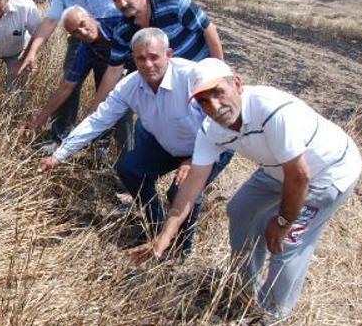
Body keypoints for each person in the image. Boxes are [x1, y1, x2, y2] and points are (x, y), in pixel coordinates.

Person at [129, 58, 362, 322]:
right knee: (240, 210)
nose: (214, 106)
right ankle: (243, 289)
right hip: (278, 168)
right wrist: (163, 240)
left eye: (218, 92)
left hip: (327, 172)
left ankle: (271, 315)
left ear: (237, 84)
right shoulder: (211, 130)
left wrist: (283, 221)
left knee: (287, 242)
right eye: (204, 101)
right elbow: (191, 188)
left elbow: (299, 176)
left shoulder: (272, 110)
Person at [39, 28, 233, 255]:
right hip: (167, 142)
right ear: (133, 58)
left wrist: (193, 160)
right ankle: (157, 226)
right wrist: (59, 155)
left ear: (168, 54)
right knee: (130, 169)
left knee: (179, 191)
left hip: (210, 145)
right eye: (141, 58)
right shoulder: (129, 86)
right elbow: (98, 121)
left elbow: (221, 123)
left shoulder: (192, 77)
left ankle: (180, 251)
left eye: (154, 57)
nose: (148, 64)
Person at [16, 0, 121, 144]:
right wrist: (32, 52)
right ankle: (60, 135)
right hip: (80, 40)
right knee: (69, 84)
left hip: (113, 42)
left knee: (109, 92)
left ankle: (102, 143)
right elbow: (50, 20)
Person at [90, 0, 227, 101]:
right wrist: (92, 113)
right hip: (172, 89)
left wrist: (220, 73)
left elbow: (208, 30)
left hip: (203, 77)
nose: (122, 3)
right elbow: (114, 70)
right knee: (144, 125)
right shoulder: (123, 30)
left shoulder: (174, 3)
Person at [26, 6, 134, 155]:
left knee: (125, 107)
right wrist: (40, 119)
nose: (82, 32)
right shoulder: (85, 49)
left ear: (90, 15)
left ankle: (128, 158)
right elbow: (67, 86)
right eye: (76, 32)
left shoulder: (117, 24)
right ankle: (117, 160)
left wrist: (91, 113)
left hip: (150, 67)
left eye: (82, 24)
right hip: (126, 73)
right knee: (118, 105)